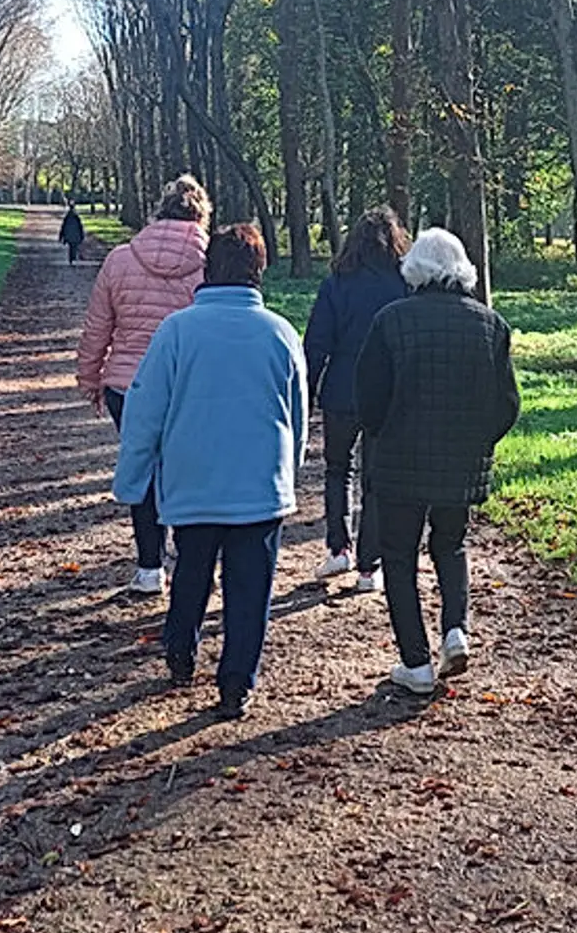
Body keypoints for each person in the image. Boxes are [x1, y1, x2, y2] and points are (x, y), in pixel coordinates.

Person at [111, 224, 308, 720]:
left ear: (207, 269)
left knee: (191, 572)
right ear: (259, 272)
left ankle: (180, 651)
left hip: (192, 480)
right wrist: (291, 470)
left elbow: (144, 411)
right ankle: (236, 683)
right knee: (250, 591)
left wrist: (132, 480)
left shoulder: (177, 331)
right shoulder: (281, 334)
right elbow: (299, 415)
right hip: (260, 488)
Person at [356, 228, 520, 696]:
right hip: (460, 461)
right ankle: (456, 629)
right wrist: (478, 441)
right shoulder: (491, 325)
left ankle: (416, 663)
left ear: (416, 269)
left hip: (398, 461)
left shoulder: (391, 321)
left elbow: (368, 396)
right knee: (451, 545)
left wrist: (381, 433)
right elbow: (507, 402)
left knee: (399, 555)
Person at [77, 174, 211, 595]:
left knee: (144, 469)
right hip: (189, 386)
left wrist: (90, 377)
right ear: (201, 214)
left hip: (128, 384)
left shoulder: (120, 258)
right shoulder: (213, 260)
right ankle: (188, 561)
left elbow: (99, 324)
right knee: (186, 472)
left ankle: (150, 565)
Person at [302, 207, 411, 595]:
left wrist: (308, 392)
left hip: (342, 389)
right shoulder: (404, 283)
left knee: (337, 469)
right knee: (377, 480)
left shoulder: (337, 283)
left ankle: (338, 546)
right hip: (388, 391)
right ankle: (369, 566)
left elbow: (316, 343)